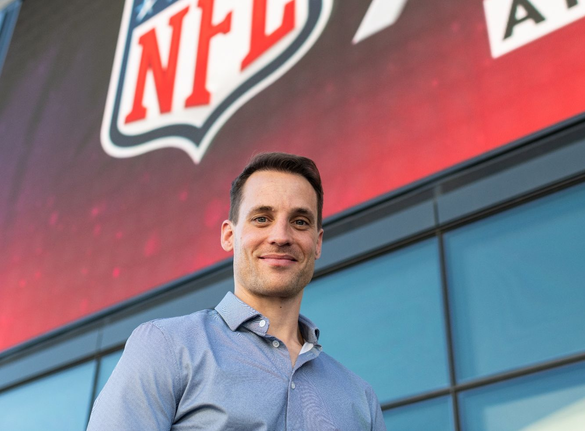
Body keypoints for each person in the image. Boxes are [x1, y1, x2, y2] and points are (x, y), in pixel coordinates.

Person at [87, 152, 386, 430]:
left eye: (299, 222)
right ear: (229, 236)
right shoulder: (166, 349)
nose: (281, 236)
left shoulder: (361, 400)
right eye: (262, 219)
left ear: (318, 243)